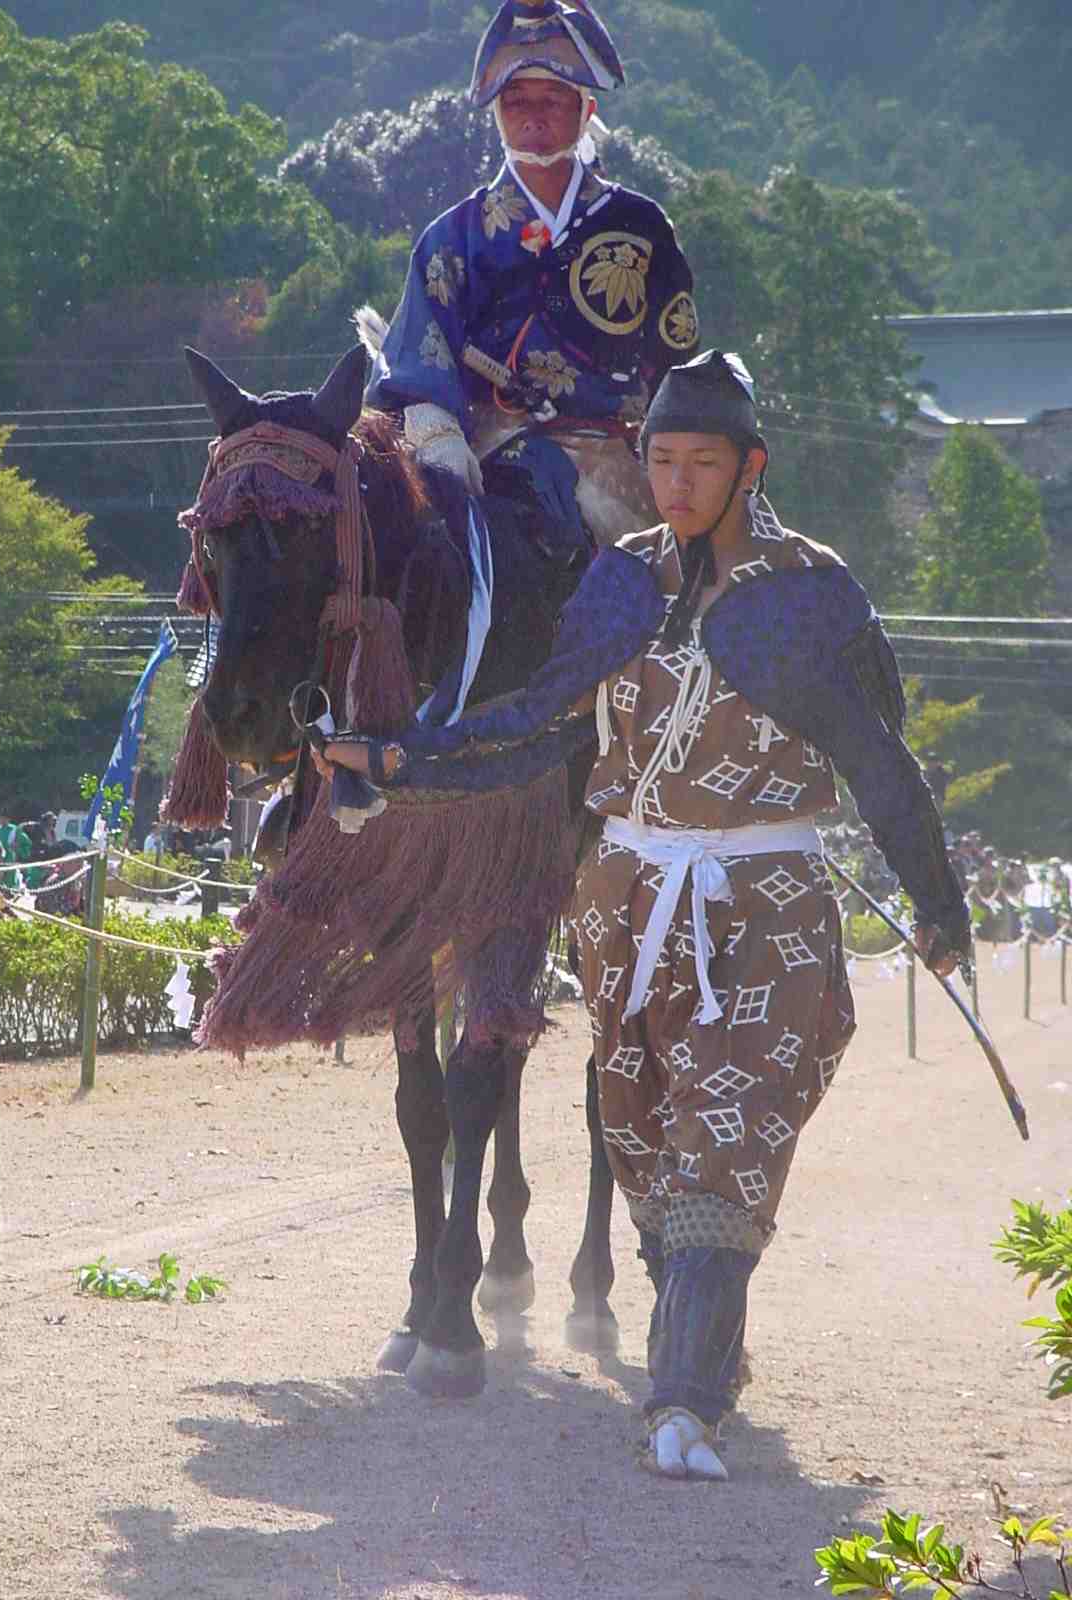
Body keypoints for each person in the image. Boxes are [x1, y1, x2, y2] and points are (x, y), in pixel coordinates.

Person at [318, 350, 970, 1479]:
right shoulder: (622, 579)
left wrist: (939, 904)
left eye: (700, 461)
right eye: (660, 458)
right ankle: (701, 1345)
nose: (673, 482)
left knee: (725, 1137)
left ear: (749, 466)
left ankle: (682, 1399)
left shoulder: (811, 592)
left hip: (764, 908)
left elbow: (881, 760)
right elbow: (532, 723)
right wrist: (396, 755)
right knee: (645, 1148)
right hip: (624, 908)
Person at [365, 0, 699, 550]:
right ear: (495, 112)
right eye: (515, 100)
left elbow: (678, 365)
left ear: (586, 109)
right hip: (483, 458)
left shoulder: (640, 227)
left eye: (552, 99)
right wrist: (441, 439)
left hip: (619, 466)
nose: (532, 115)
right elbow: (413, 372)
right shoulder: (452, 238)